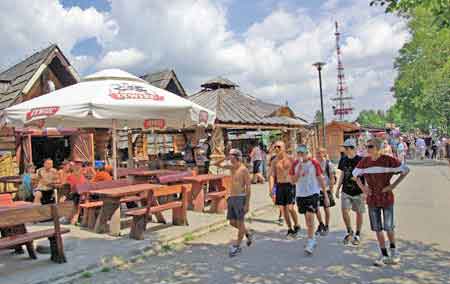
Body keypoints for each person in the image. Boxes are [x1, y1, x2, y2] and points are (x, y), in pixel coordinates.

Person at [353, 137, 409, 266]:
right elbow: (354, 175)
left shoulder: (388, 160)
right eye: (367, 146)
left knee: (388, 226)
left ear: (378, 148)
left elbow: (405, 170)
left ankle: (394, 251)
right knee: (378, 228)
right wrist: (363, 188)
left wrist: (392, 186)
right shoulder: (364, 162)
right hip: (372, 199)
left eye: (370, 147)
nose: (367, 149)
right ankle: (384, 254)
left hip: (386, 198)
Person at [291, 144, 329, 255]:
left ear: (307, 153)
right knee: (307, 219)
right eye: (299, 153)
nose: (301, 155)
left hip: (313, 193)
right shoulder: (295, 164)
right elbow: (292, 181)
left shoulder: (314, 163)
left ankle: (310, 240)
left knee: (310, 216)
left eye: (303, 153)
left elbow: (320, 178)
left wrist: (325, 195)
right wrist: (298, 173)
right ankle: (311, 237)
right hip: (300, 194)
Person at [214, 149, 252, 257]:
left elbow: (248, 187)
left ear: (237, 158)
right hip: (232, 197)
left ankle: (237, 246)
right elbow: (216, 164)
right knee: (232, 222)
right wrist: (225, 158)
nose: (230, 159)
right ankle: (247, 233)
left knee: (240, 222)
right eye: (229, 157)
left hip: (241, 198)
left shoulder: (243, 170)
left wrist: (247, 204)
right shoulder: (231, 168)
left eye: (231, 157)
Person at [335, 139, 365, 245]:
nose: (345, 150)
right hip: (346, 190)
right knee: (344, 211)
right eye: (344, 148)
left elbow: (366, 176)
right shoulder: (343, 159)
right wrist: (338, 188)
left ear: (352, 148)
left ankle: (357, 234)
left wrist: (365, 191)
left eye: (346, 148)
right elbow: (342, 174)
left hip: (359, 191)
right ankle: (349, 231)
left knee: (359, 213)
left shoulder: (361, 160)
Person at [269, 141, 300, 237]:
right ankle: (290, 228)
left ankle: (296, 224)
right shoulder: (274, 161)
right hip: (279, 185)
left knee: (290, 208)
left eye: (279, 146)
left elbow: (299, 170)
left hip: (289, 185)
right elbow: (271, 175)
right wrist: (271, 190)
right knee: (283, 209)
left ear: (284, 148)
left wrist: (295, 180)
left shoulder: (291, 159)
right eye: (275, 147)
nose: (276, 149)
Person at [314, 148, 336, 236]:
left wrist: (331, 191)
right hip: (316, 189)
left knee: (326, 208)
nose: (318, 155)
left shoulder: (328, 164)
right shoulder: (314, 163)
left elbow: (332, 178)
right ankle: (321, 224)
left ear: (324, 154)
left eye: (320, 153)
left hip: (326, 189)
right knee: (315, 208)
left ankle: (327, 225)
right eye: (317, 153)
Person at [66, 159, 88, 224]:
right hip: (75, 193)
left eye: (79, 165)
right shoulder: (70, 176)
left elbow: (85, 184)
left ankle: (77, 216)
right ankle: (76, 216)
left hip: (82, 193)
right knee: (79, 197)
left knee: (82, 197)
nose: (78, 167)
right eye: (76, 165)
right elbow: (71, 187)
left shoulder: (82, 175)